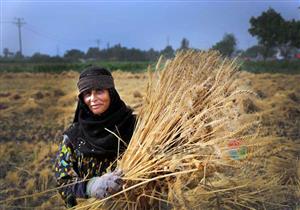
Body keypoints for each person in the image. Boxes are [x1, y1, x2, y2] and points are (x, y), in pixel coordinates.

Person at [54, 66, 136, 208]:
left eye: (99, 91)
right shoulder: (73, 137)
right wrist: (91, 187)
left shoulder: (135, 127)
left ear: (111, 93)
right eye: (87, 93)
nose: (93, 99)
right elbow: (62, 182)